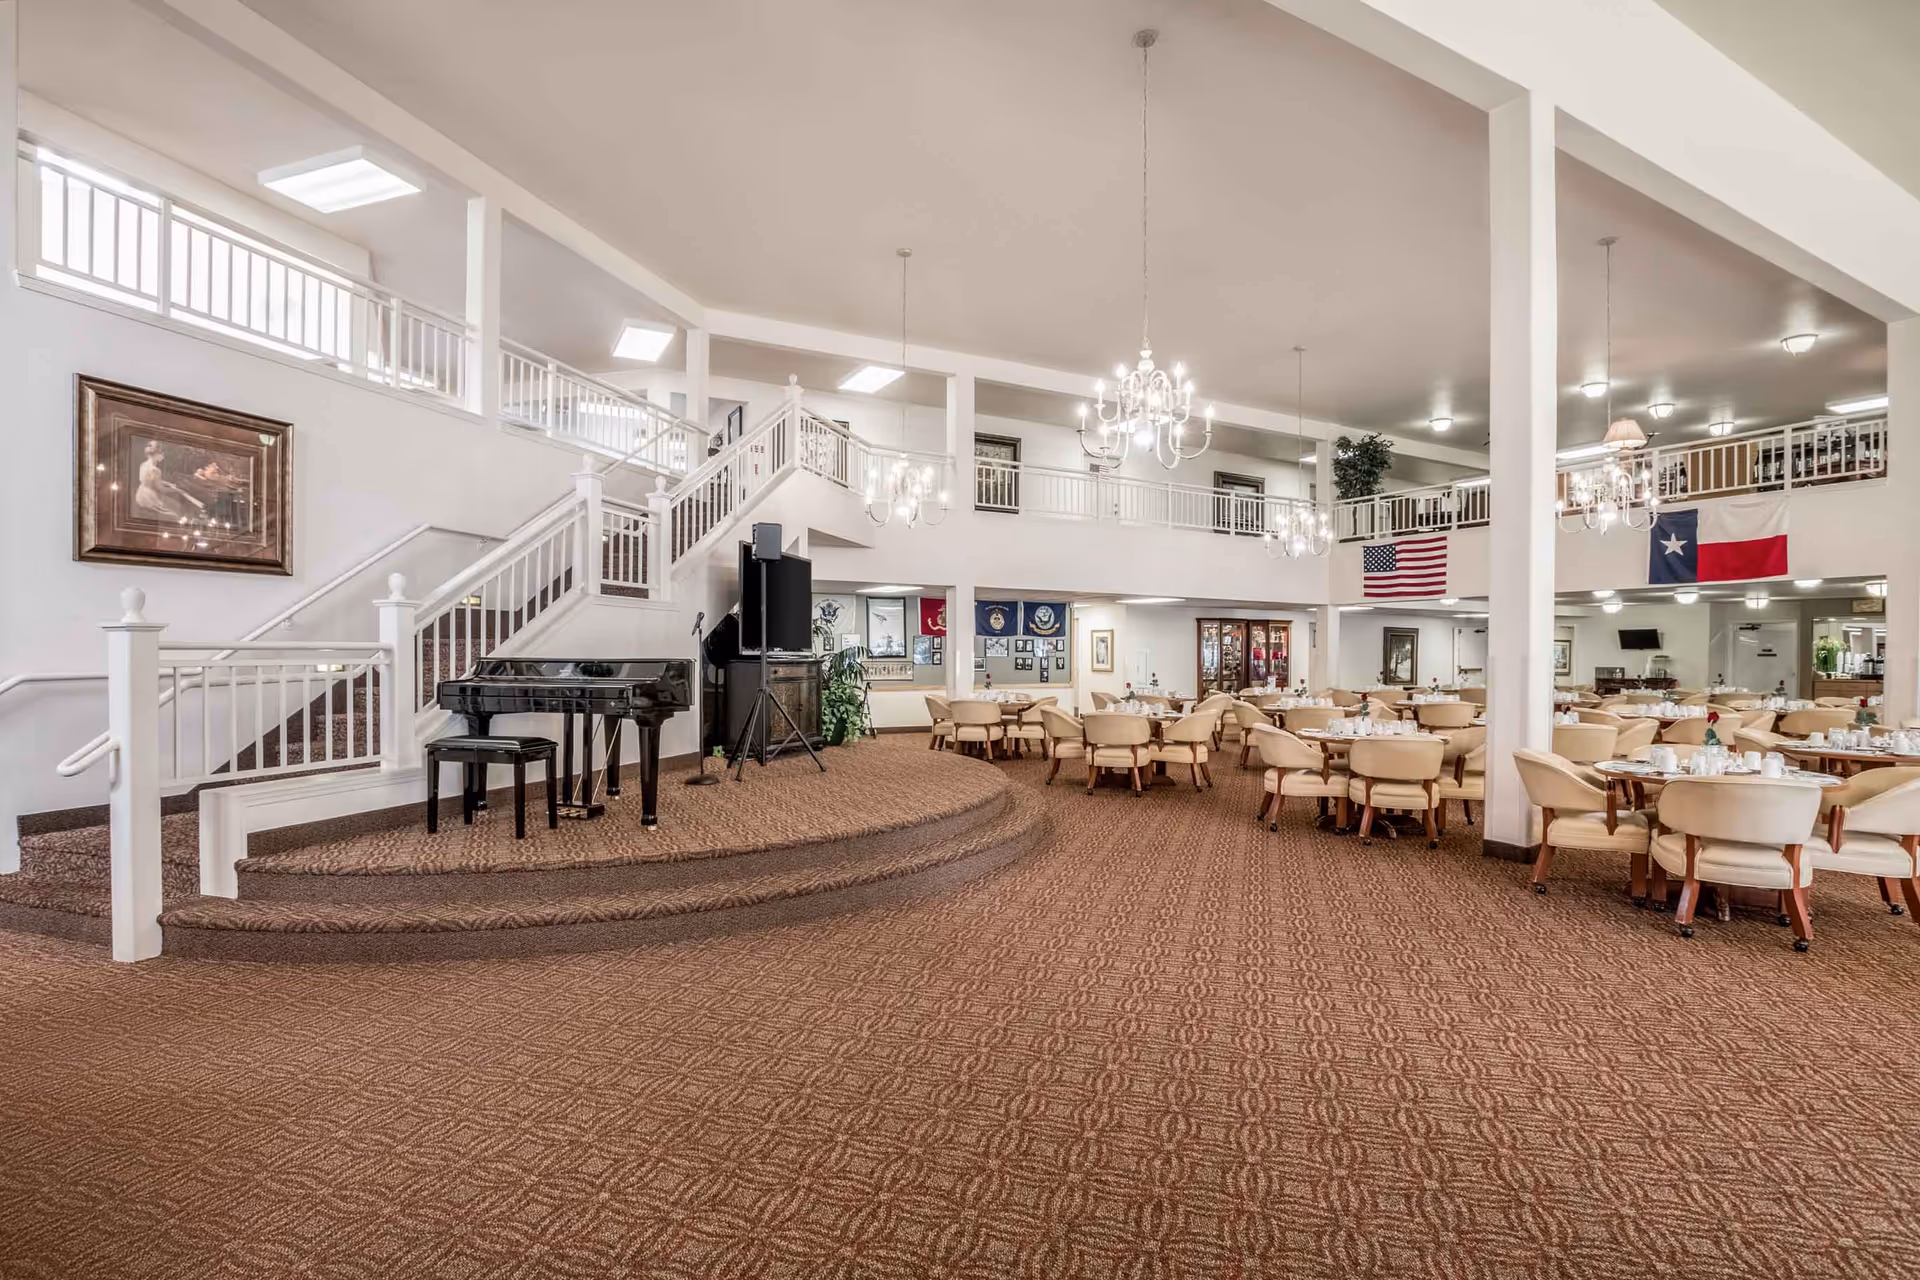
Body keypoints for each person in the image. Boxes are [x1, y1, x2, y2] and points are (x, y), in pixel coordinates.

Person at [133, 441, 204, 523]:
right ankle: (188, 521)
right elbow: (161, 489)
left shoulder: (143, 465)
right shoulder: (155, 470)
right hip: (152, 496)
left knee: (176, 504)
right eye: (162, 454)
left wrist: (168, 483)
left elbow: (151, 481)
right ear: (157, 454)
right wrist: (177, 490)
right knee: (178, 508)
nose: (163, 456)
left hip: (141, 492)